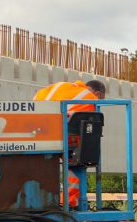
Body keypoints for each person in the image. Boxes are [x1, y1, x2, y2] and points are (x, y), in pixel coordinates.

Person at [33, 79, 106, 209]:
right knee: (78, 159)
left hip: (34, 130)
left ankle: (38, 199)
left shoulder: (62, 86)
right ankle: (68, 202)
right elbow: (87, 127)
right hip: (59, 135)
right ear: (98, 94)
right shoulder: (90, 98)